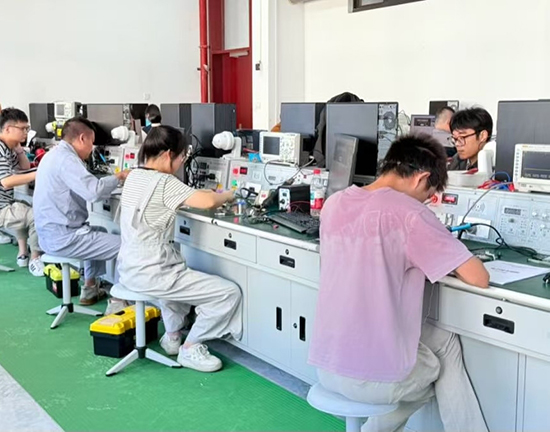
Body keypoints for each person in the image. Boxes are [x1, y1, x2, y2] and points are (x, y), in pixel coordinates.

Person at [309, 134, 490, 432]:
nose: (425, 202)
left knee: (439, 338)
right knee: (442, 358)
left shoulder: (335, 203)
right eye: (428, 195)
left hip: (326, 363)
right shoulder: (409, 213)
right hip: (370, 377)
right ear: (422, 178)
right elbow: (478, 278)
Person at [117, 125, 242, 373]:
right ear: (168, 155)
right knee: (228, 293)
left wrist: (201, 193)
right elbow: (207, 201)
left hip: (130, 267)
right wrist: (228, 194)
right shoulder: (164, 182)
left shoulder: (134, 176)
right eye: (182, 158)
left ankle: (172, 336)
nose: (181, 164)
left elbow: (183, 197)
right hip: (153, 271)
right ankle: (191, 346)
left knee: (178, 288)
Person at [33, 117, 130, 312]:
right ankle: (118, 301)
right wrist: (118, 177)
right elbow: (93, 192)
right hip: (63, 238)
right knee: (127, 246)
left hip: (48, 235)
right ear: (82, 138)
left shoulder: (53, 154)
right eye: (92, 143)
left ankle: (90, 288)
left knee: (98, 230)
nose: (92, 149)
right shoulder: (67, 160)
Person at [0, 108, 43, 275]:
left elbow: (24, 167)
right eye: (22, 128)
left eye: (27, 128)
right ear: (7, 129)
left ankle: (23, 254)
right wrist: (41, 173)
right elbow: (6, 182)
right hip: (1, 208)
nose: (26, 132)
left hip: (5, 203)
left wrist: (18, 148)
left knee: (22, 206)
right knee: (37, 215)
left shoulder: (8, 147)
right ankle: (35, 259)